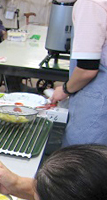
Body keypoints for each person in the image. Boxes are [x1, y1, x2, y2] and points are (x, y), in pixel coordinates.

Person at [50, 0, 107, 147]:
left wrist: (64, 89)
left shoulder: (90, 4)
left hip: (96, 106)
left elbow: (87, 69)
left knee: (81, 163)